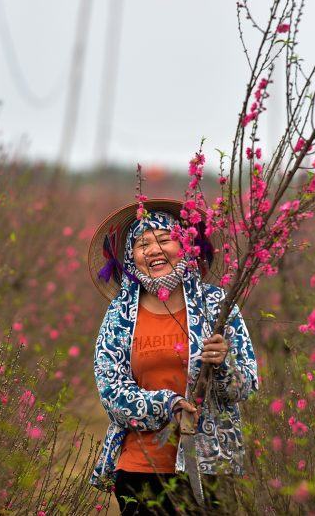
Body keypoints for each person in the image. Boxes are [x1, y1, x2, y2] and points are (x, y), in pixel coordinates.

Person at [87, 198, 259, 515]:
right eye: (142, 244)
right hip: (139, 467)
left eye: (165, 240)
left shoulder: (216, 306)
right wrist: (169, 405)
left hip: (209, 465)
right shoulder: (121, 315)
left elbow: (245, 386)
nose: (154, 250)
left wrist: (222, 366)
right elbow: (110, 391)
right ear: (130, 257)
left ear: (185, 246)